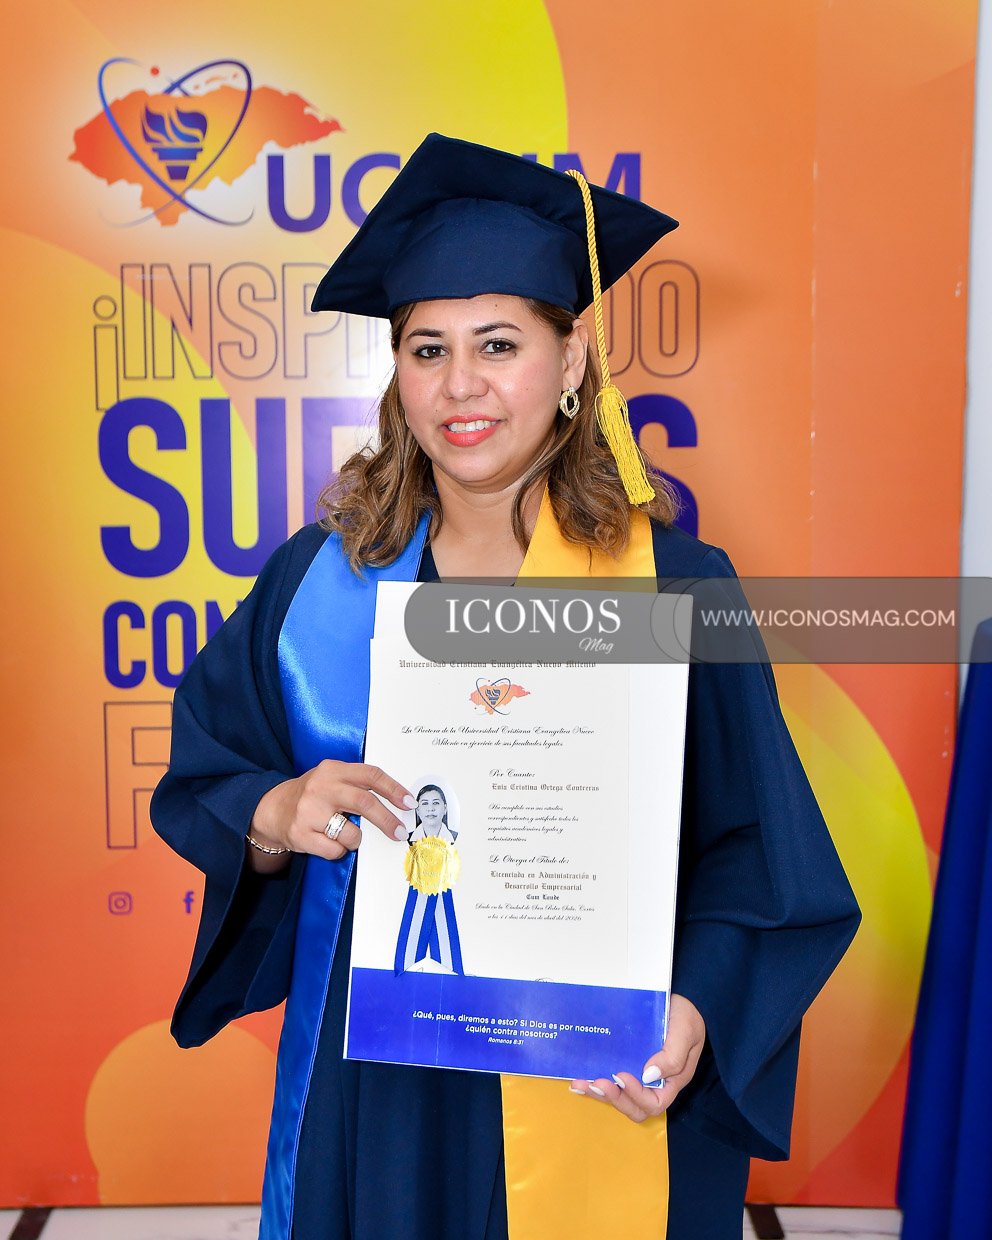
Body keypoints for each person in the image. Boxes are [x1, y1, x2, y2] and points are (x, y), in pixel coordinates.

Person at [151, 133, 860, 1240]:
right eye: (426, 349)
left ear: (570, 362)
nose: (460, 385)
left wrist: (695, 1007)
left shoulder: (674, 586)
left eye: (498, 343)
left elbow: (755, 849)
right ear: (396, 372)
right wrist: (277, 814)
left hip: (591, 1072)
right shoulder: (318, 583)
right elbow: (212, 769)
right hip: (379, 1082)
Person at [394, 783, 464, 976]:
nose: (431, 808)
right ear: (417, 810)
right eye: (424, 803)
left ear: (445, 808)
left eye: (436, 803)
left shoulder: (454, 841)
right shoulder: (408, 840)